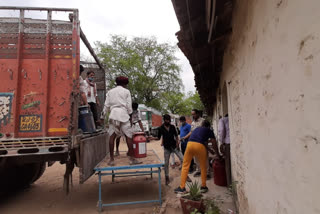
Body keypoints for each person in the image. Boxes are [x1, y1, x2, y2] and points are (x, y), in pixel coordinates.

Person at [101, 76, 141, 166]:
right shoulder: (126, 91)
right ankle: (132, 159)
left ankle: (111, 160)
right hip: (123, 114)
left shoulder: (110, 92)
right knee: (128, 137)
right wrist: (130, 117)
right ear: (125, 84)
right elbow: (129, 106)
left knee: (112, 137)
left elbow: (106, 105)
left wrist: (102, 116)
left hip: (113, 115)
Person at [174, 120, 220, 194]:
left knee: (185, 166)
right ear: (208, 126)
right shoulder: (209, 130)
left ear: (202, 125)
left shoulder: (197, 129)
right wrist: (217, 154)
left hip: (189, 145)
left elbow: (201, 140)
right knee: (203, 167)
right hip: (200, 147)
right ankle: (203, 186)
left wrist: (209, 150)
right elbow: (213, 143)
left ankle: (182, 188)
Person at [150, 114, 184, 185]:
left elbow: (176, 135)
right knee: (166, 163)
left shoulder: (172, 127)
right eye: (166, 120)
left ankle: (185, 175)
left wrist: (177, 144)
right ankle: (167, 177)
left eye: (169, 120)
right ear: (164, 120)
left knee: (183, 159)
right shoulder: (161, 128)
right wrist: (151, 138)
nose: (168, 121)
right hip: (167, 148)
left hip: (174, 146)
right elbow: (158, 138)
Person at [182, 109, 205, 176]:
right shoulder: (193, 123)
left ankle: (206, 172)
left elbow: (205, 131)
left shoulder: (203, 121)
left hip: (201, 142)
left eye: (194, 114)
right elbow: (191, 132)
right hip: (195, 142)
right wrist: (185, 137)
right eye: (192, 115)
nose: (193, 116)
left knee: (203, 157)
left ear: (198, 114)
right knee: (196, 158)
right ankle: (198, 170)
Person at [218, 114, 231, 186]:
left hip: (227, 142)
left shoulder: (222, 119)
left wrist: (221, 142)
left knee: (228, 164)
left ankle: (229, 184)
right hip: (233, 141)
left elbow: (221, 131)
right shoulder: (230, 119)